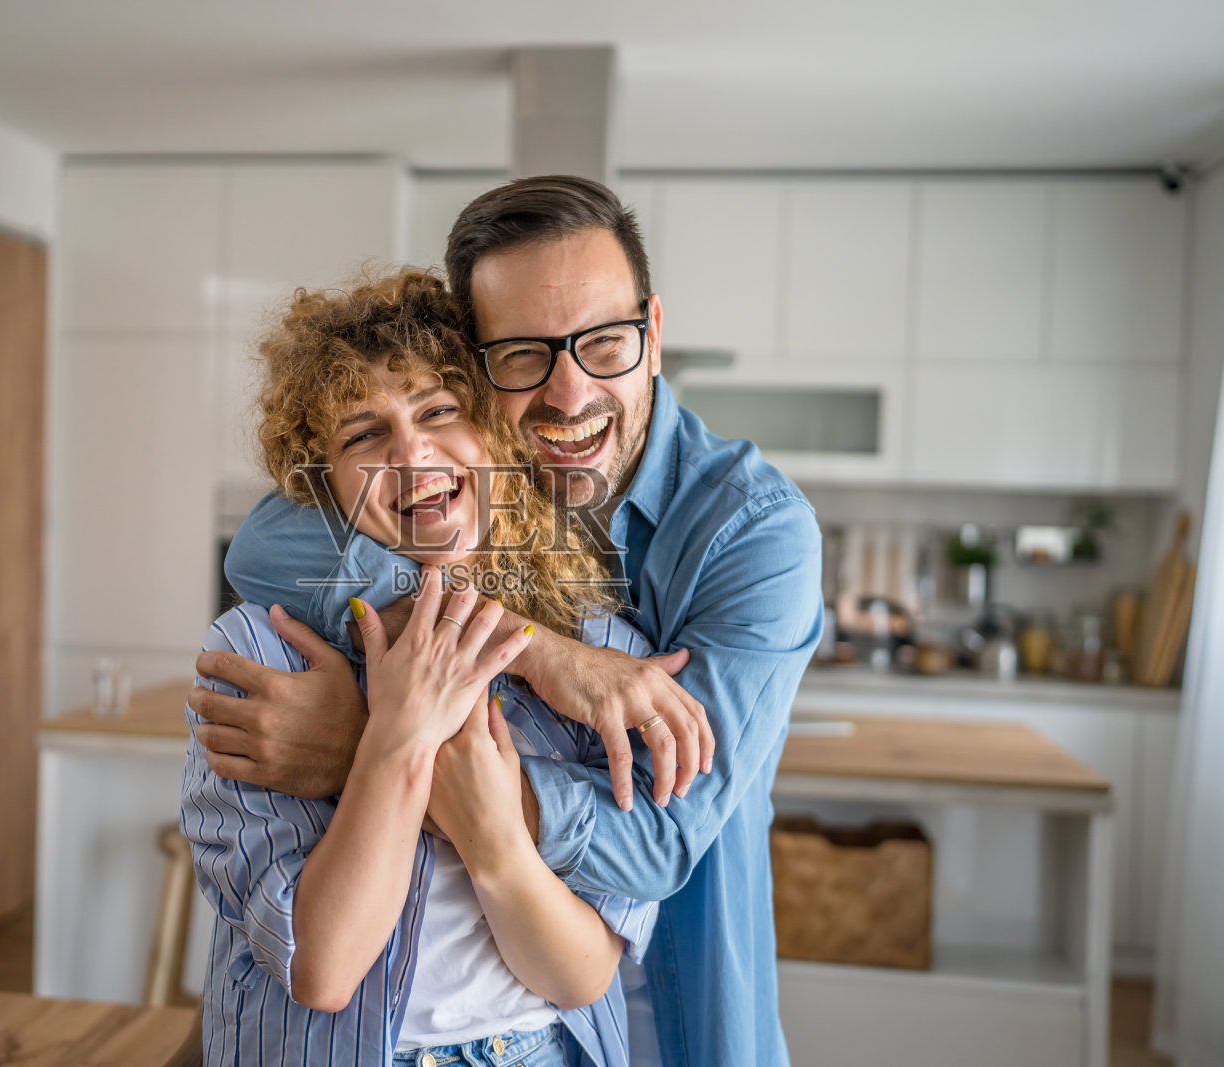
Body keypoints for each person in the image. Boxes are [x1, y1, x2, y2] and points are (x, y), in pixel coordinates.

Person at [193, 176, 825, 1067]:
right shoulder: (473, 474)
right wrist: (531, 649)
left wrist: (373, 745)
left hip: (672, 1013)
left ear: (652, 335)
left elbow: (655, 840)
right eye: (525, 354)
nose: (568, 394)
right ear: (479, 369)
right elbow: (266, 537)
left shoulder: (751, 529)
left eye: (604, 342)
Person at [182, 270, 658, 1067]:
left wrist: (492, 835)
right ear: (322, 487)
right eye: (362, 434)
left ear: (497, 434)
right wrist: (398, 735)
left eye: (439, 410)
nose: (410, 453)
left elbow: (578, 975)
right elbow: (322, 966)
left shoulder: (600, 661)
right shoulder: (260, 655)